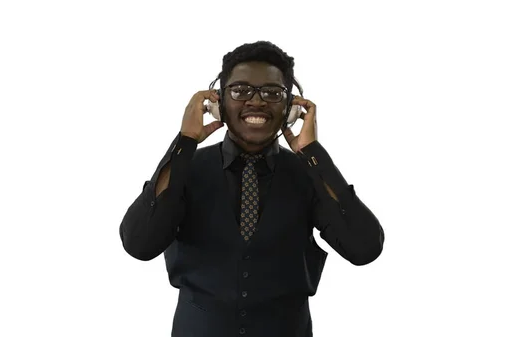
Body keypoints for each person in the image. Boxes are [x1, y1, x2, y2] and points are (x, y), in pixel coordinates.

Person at [119, 41, 385, 337]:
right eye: (240, 90)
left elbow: (364, 248)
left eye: (272, 93)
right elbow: (139, 244)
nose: (256, 102)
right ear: (218, 102)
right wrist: (185, 141)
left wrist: (312, 153)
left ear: (290, 107)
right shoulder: (186, 169)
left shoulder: (309, 175)